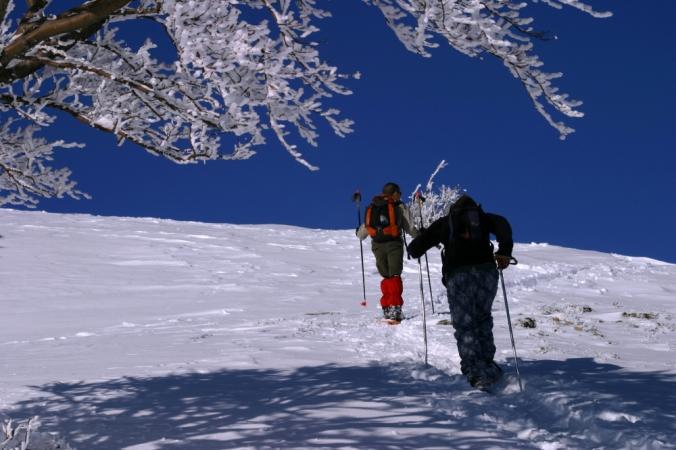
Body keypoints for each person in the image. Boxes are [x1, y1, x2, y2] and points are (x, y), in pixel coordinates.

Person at [407, 194, 513, 389]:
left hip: (459, 275)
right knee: (483, 318)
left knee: (465, 324)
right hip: (486, 274)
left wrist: (413, 250)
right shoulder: (485, 218)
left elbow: (418, 246)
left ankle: (475, 371)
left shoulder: (446, 222)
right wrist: (505, 251)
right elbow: (503, 225)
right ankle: (487, 363)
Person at [357, 182, 418, 322]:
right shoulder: (399, 206)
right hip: (393, 244)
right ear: (395, 193)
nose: (400, 195)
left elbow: (362, 232)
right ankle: (395, 308)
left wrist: (359, 232)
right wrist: (421, 236)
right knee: (395, 275)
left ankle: (387, 307)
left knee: (386, 276)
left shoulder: (373, 206)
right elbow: (410, 228)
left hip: (377, 245)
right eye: (399, 193)